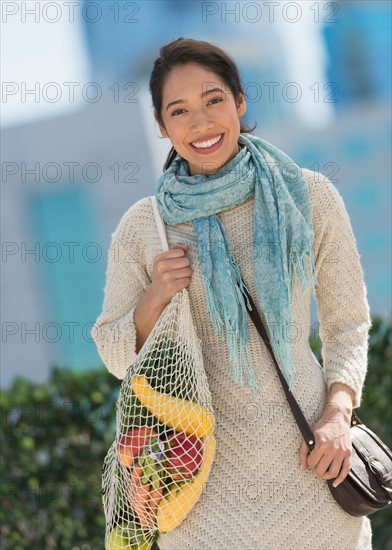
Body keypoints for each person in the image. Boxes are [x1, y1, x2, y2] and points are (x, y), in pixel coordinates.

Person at [92, 37, 373, 549]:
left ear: (239, 103)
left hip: (312, 467)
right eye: (180, 111)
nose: (201, 123)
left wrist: (338, 415)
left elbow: (347, 325)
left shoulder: (307, 197)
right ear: (161, 126)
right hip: (202, 498)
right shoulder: (144, 229)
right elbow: (114, 352)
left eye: (214, 100)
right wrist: (155, 295)